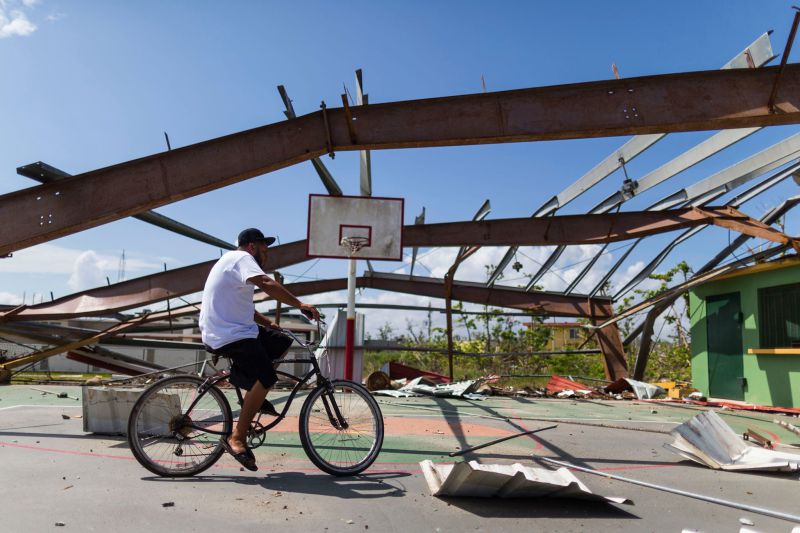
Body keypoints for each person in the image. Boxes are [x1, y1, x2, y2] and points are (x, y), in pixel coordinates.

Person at [199, 227, 320, 471]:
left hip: (233, 329)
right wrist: (300, 304)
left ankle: (253, 392)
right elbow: (266, 282)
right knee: (267, 377)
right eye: (264, 245)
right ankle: (237, 437)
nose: (267, 250)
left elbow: (241, 307)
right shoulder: (243, 258)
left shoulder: (230, 262)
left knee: (281, 341)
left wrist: (269, 323)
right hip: (228, 335)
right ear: (252, 246)